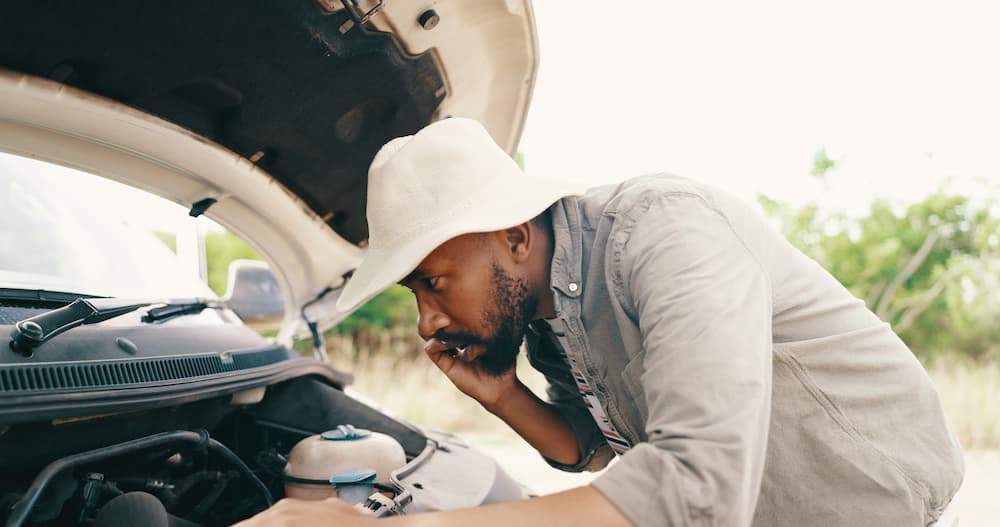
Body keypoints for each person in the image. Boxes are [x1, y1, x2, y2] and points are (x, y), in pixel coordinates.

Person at [236, 118, 964, 527]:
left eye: (434, 280)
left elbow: (693, 489)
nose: (428, 317)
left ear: (514, 235)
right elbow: (599, 451)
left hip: (874, 500)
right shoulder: (547, 307)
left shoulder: (667, 233)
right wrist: (501, 396)